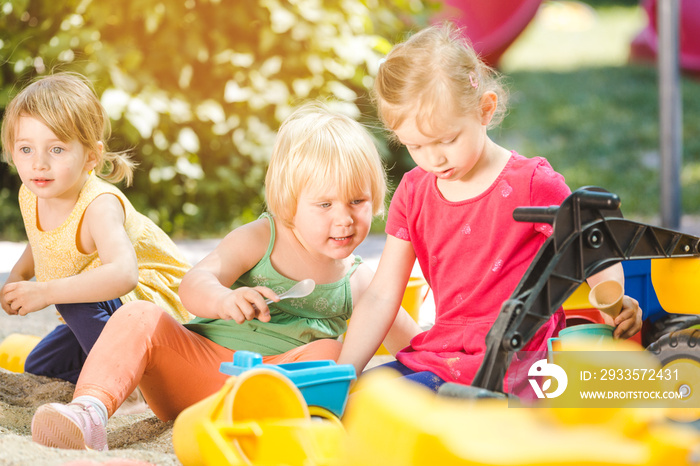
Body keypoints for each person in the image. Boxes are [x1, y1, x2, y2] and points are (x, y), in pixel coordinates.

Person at [29, 102, 421, 451]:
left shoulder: (360, 280)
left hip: (271, 396)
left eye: (358, 201)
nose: (344, 218)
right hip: (198, 373)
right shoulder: (261, 238)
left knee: (331, 354)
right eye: (324, 204)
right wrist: (223, 299)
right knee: (138, 316)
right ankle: (90, 411)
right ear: (290, 202)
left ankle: (285, 434)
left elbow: (414, 345)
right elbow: (193, 284)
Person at [337, 23, 643, 391]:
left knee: (428, 418)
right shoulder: (414, 191)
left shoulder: (531, 183)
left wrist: (614, 295)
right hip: (444, 352)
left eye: (447, 139)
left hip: (519, 357)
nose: (433, 158)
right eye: (415, 147)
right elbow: (383, 295)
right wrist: (343, 375)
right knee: (367, 399)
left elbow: (590, 240)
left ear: (484, 109)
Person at [0, 72, 192, 384]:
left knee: (70, 296)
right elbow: (45, 238)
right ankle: (143, 373)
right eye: (26, 149)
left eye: (57, 149)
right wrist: (20, 277)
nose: (39, 163)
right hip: (113, 312)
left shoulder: (99, 205)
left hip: (155, 308)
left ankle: (125, 385)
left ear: (91, 156)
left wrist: (45, 291)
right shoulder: (31, 193)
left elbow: (124, 274)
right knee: (41, 365)